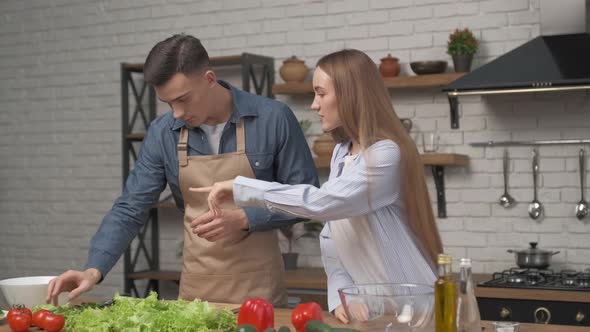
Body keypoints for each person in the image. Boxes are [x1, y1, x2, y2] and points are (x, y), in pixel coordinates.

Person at [46, 34, 318, 307]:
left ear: (209, 79)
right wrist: (94, 269)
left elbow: (306, 198)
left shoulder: (273, 119)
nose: (176, 113)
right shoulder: (163, 133)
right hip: (195, 296)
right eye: (168, 103)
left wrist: (245, 218)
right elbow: (131, 207)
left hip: (261, 295)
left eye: (183, 99)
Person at [193, 49, 444, 323]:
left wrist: (243, 188)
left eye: (321, 93)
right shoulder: (341, 153)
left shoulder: (385, 155)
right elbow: (331, 236)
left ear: (351, 94)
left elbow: (326, 203)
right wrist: (340, 295)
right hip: (376, 312)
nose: (314, 104)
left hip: (416, 309)